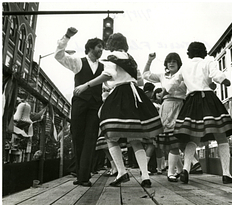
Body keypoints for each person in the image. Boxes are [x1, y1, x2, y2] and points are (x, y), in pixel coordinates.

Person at [74, 33, 163, 188]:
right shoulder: (131, 58)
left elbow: (108, 74)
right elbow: (140, 81)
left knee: (109, 134)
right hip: (135, 95)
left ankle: (121, 172)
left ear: (112, 44)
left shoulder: (112, 56)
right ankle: (145, 176)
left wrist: (86, 85)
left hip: (120, 96)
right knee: (135, 138)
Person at [164, 42, 232, 184]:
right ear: (204, 51)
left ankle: (185, 169)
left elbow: (172, 82)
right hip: (208, 99)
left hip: (191, 101)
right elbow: (216, 75)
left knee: (194, 137)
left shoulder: (185, 66)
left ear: (189, 53)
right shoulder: (208, 61)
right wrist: (225, 81)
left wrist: (165, 90)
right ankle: (226, 174)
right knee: (221, 136)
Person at [54, 27, 105, 187]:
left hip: (95, 105)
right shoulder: (78, 62)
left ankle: (83, 177)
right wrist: (67, 36)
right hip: (80, 104)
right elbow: (59, 55)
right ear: (90, 48)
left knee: (91, 139)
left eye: (102, 47)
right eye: (99, 47)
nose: (101, 50)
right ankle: (78, 171)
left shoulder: (104, 67)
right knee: (77, 137)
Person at [143, 52, 185, 182]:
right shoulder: (163, 76)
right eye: (169, 61)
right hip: (167, 107)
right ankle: (177, 171)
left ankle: (174, 171)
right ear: (166, 64)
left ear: (179, 63)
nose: (171, 63)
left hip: (181, 107)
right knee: (171, 142)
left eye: (174, 61)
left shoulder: (184, 75)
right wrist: (150, 60)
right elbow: (145, 75)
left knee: (175, 141)